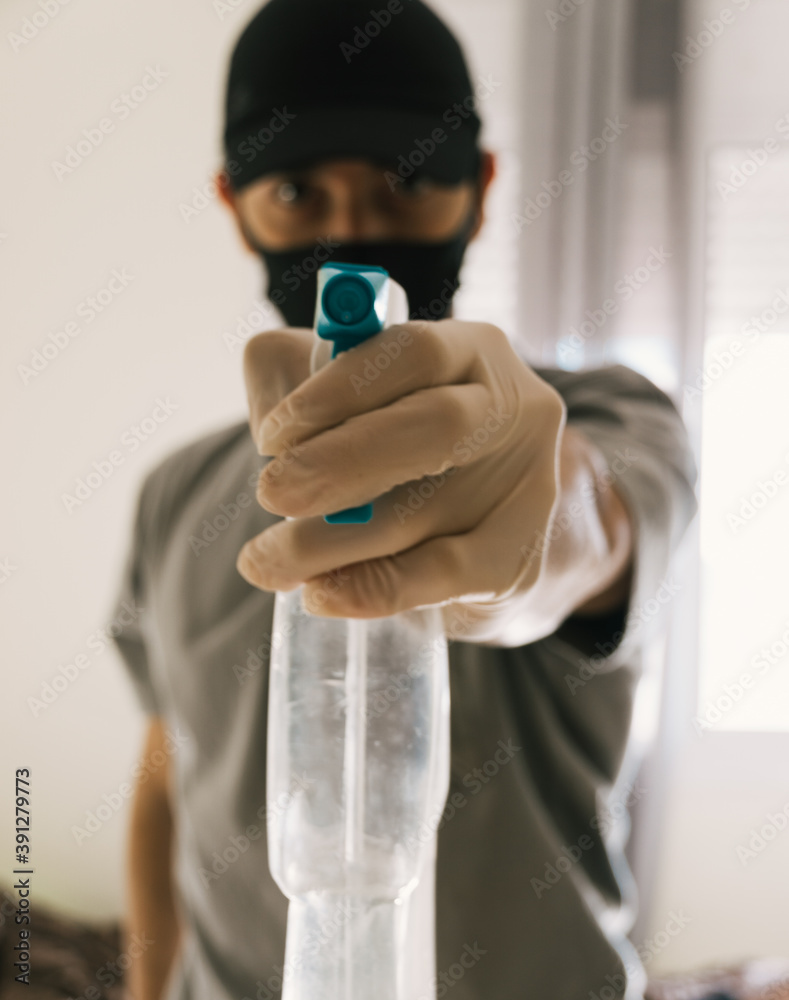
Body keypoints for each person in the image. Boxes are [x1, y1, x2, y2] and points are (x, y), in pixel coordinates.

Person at [111, 1, 698, 998]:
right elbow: (166, 777)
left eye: (408, 181)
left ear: (479, 188)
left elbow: (583, 531)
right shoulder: (175, 499)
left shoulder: (589, 418)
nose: (351, 235)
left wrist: (517, 521)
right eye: (298, 191)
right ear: (233, 201)